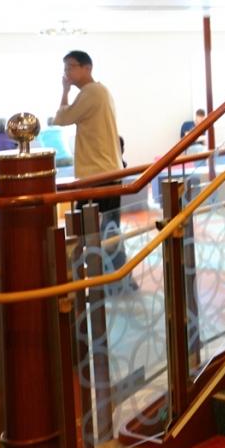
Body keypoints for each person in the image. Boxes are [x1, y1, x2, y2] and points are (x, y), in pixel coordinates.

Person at [53, 50, 132, 288]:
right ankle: (115, 280)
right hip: (105, 171)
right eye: (65, 68)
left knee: (97, 229)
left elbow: (62, 118)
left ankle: (109, 281)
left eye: (71, 66)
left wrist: (65, 91)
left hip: (98, 174)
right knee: (107, 229)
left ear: (87, 68)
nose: (66, 72)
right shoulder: (99, 91)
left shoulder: (91, 92)